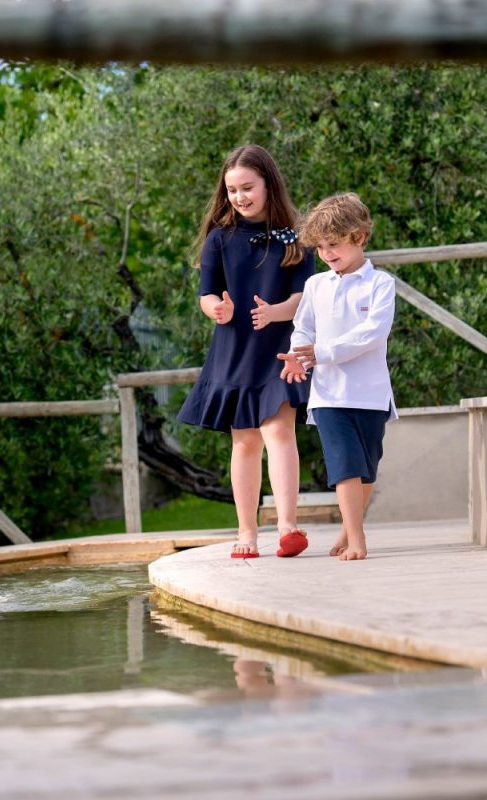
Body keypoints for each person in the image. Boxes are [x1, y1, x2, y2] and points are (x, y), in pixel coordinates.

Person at [177, 144, 316, 559]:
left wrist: (275, 312)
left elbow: (304, 298)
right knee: (245, 442)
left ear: (268, 184)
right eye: (232, 190)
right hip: (234, 349)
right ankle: (247, 534)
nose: (239, 197)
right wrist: (216, 309)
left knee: (278, 431)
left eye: (247, 187)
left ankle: (288, 527)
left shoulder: (297, 237)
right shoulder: (220, 239)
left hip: (278, 350)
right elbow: (205, 295)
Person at [278, 193, 397, 561]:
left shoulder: (381, 284)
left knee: (367, 468)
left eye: (335, 244)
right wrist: (300, 356)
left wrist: (323, 352)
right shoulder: (316, 286)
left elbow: (373, 334)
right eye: (322, 247)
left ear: (359, 237)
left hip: (371, 394)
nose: (327, 253)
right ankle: (359, 540)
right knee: (344, 465)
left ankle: (348, 529)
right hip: (329, 395)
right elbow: (303, 328)